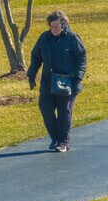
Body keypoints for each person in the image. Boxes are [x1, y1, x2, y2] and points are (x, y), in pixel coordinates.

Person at [27, 11, 86, 152]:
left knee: (64, 112)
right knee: (45, 108)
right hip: (48, 81)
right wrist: (31, 74)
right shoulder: (44, 38)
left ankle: (64, 142)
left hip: (68, 83)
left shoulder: (73, 38)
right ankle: (55, 139)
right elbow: (36, 57)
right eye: (51, 26)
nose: (54, 29)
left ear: (64, 25)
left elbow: (81, 58)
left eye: (56, 27)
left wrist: (77, 77)